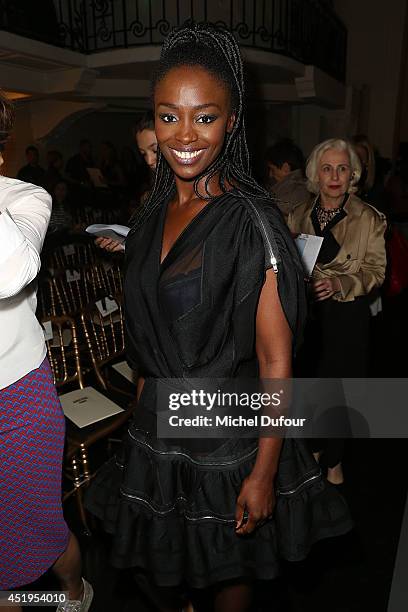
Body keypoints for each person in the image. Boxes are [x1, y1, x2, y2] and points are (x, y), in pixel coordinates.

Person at [85, 24, 352, 612]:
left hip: (225, 431)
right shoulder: (155, 212)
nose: (184, 135)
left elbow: (277, 359)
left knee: (231, 566)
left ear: (231, 121)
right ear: (152, 121)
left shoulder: (251, 221)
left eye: (204, 117)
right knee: (168, 561)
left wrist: (263, 470)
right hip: (156, 423)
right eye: (168, 116)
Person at [0, 92, 93, 612]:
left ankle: (74, 591)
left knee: (38, 535)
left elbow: (9, 272)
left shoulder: (25, 199)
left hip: (16, 398)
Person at [288, 138, 387, 484]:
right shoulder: (298, 214)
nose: (334, 176)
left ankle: (334, 458)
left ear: (352, 174)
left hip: (347, 317)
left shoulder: (368, 218)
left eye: (342, 169)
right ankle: (314, 446)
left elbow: (376, 272)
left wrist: (340, 284)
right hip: (311, 317)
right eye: (327, 168)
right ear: (316, 173)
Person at [95, 111, 158, 253]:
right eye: (143, 154)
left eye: (155, 150)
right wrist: (126, 244)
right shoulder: (154, 191)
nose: (149, 161)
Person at [265, 138, 311, 218]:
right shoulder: (301, 188)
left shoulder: (294, 192)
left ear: (285, 168)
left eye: (272, 170)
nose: (270, 175)